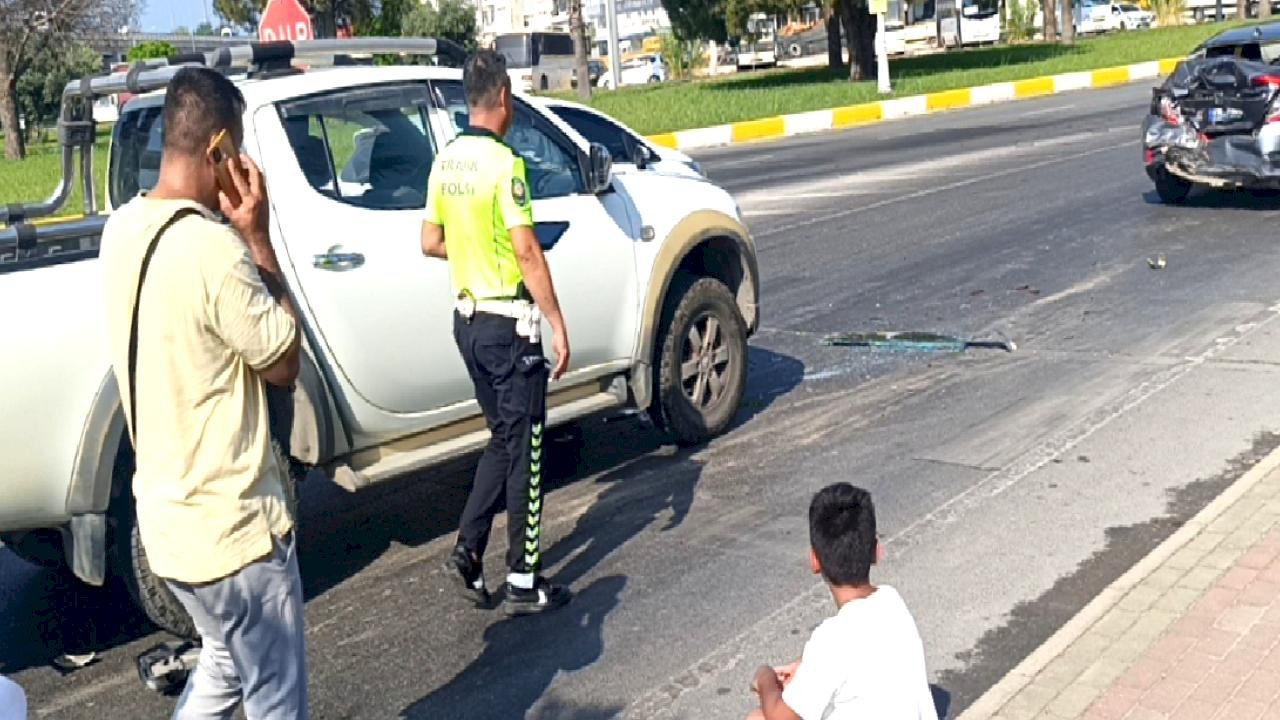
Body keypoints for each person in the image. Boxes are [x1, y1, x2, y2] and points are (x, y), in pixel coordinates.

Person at [100, 67, 307, 719]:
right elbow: (283, 362)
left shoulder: (122, 230)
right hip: (233, 531)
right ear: (220, 149)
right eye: (238, 147)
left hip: (168, 532)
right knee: (275, 694)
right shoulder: (214, 250)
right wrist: (257, 237)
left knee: (223, 660)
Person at [420, 49, 572, 616]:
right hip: (510, 328)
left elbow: (430, 241)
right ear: (504, 98)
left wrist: (473, 251)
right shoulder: (506, 166)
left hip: (468, 323)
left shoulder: (447, 161)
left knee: (502, 440)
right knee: (528, 448)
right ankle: (523, 577)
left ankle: (467, 551)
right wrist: (556, 321)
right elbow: (529, 252)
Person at [747, 483, 938, 720]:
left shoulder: (830, 639)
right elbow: (863, 650)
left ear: (814, 561)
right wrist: (805, 666)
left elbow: (780, 717)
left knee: (758, 718)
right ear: (876, 551)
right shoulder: (892, 600)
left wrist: (765, 678)